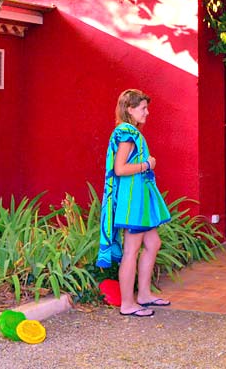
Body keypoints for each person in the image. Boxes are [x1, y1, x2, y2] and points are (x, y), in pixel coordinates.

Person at [96, 89, 172, 317]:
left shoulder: (130, 132)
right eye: (143, 108)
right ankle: (128, 303)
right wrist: (147, 165)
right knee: (131, 250)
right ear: (129, 109)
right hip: (133, 201)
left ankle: (144, 294)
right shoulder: (126, 133)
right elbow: (120, 169)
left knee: (153, 243)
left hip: (139, 199)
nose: (147, 113)